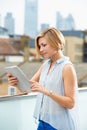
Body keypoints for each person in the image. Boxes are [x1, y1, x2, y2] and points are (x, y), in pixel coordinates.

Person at [7, 27, 79, 130]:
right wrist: (16, 83)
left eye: (44, 45)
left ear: (56, 42)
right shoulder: (45, 65)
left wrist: (46, 91)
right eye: (39, 46)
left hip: (59, 125)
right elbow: (28, 88)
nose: (41, 50)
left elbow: (71, 103)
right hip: (43, 122)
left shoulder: (67, 68)